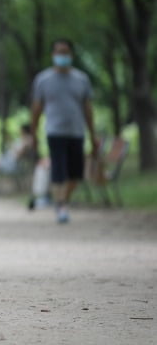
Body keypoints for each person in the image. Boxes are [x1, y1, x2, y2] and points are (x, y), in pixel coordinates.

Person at [31, 38, 98, 223]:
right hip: (54, 131)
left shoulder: (82, 79)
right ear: (53, 55)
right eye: (59, 52)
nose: (62, 56)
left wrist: (93, 135)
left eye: (65, 52)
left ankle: (62, 201)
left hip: (77, 131)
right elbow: (36, 108)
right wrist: (34, 132)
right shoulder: (43, 80)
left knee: (75, 174)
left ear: (71, 54)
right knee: (58, 170)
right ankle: (61, 205)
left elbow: (88, 108)